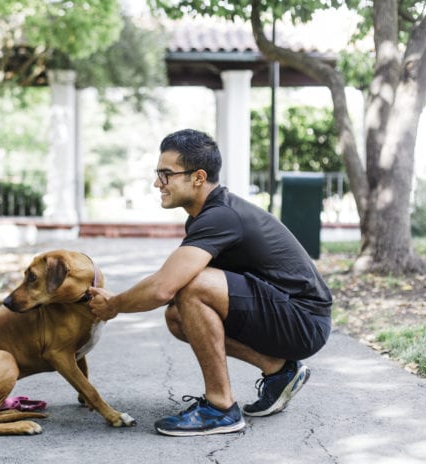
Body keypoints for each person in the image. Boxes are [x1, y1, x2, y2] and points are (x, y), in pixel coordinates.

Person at [89, 128, 332, 437]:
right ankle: (279, 370)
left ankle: (220, 409)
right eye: (157, 174)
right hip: (290, 315)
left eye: (166, 175)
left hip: (304, 320)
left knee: (191, 287)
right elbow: (167, 291)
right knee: (178, 316)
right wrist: (125, 301)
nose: (157, 184)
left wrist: (113, 305)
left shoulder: (221, 216)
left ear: (198, 177)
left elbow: (166, 286)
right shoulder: (207, 215)